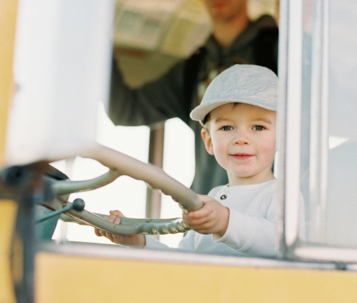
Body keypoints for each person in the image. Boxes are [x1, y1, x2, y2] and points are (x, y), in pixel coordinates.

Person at [108, 0, 278, 194]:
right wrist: (97, 39)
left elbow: (323, 105)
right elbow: (126, 111)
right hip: (207, 215)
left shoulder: (278, 50)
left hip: (269, 218)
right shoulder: (194, 68)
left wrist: (303, 37)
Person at [95, 64, 279, 258]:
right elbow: (184, 259)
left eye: (258, 127)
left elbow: (281, 245)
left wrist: (226, 221)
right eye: (226, 128)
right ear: (208, 141)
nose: (241, 138)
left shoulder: (283, 197)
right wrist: (140, 242)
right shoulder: (213, 197)